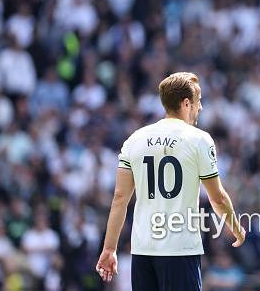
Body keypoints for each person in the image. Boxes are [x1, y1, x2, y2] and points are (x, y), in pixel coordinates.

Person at [95, 72, 245, 290]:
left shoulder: (134, 139)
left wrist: (109, 249)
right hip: (180, 248)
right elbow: (218, 198)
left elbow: (120, 198)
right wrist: (235, 227)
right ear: (186, 103)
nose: (200, 108)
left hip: (143, 250)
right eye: (198, 101)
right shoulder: (199, 139)